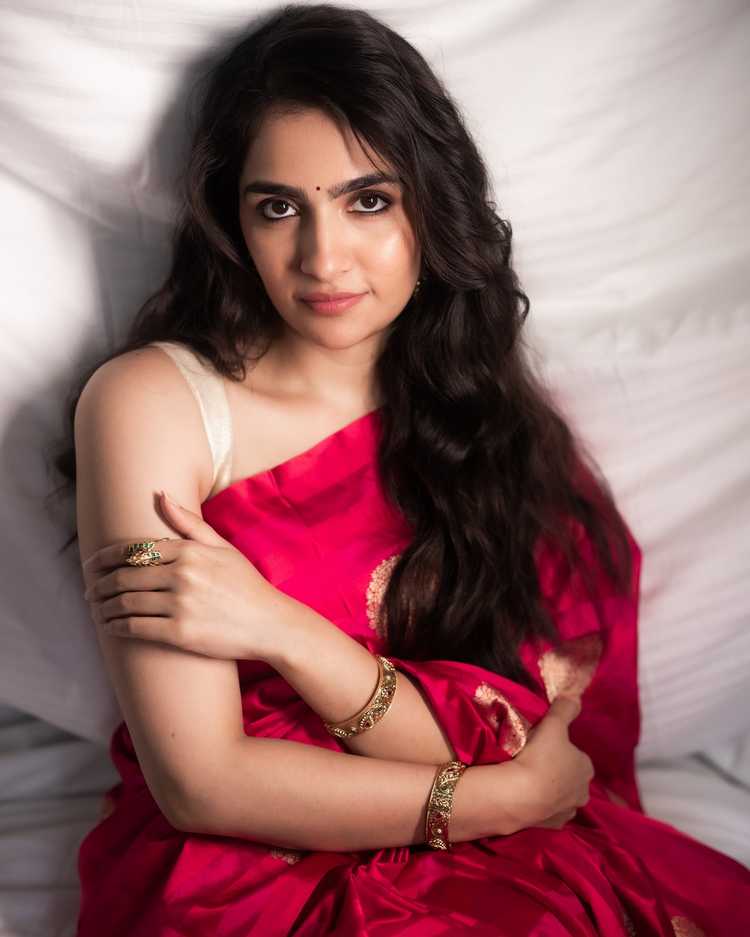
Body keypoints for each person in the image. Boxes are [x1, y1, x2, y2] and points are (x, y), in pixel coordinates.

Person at [56, 4, 750, 934]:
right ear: (232, 223)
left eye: (368, 201)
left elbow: (522, 737)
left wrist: (280, 627)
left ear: (432, 204)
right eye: (278, 208)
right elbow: (201, 782)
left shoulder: (486, 427)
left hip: (468, 824)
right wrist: (498, 802)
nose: (322, 258)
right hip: (237, 867)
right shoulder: (152, 403)